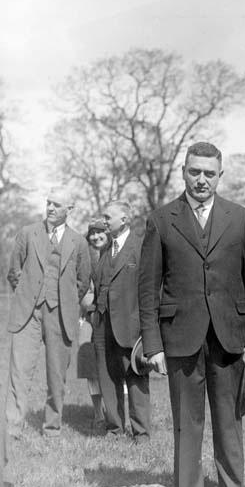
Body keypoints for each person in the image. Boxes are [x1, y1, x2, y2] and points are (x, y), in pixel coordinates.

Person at [138, 141, 245, 487]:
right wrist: (153, 345)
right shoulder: (161, 220)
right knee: (186, 425)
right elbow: (148, 288)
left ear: (220, 176)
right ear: (183, 172)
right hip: (180, 337)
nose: (201, 180)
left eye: (209, 173)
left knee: (229, 425)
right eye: (194, 171)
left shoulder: (240, 218)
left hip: (229, 339)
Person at [5, 187, 90, 437]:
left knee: (56, 375)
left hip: (60, 316)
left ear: (69, 209)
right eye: (49, 203)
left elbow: (83, 281)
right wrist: (27, 293)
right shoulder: (27, 233)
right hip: (28, 314)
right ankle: (12, 427)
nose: (51, 208)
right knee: (19, 371)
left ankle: (52, 427)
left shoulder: (79, 242)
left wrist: (66, 300)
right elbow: (14, 271)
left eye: (57, 204)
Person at [92, 201, 150, 441]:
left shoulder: (141, 246)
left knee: (135, 377)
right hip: (102, 325)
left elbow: (149, 290)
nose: (104, 221)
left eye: (108, 217)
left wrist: (145, 328)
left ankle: (141, 433)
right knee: (107, 376)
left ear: (124, 219)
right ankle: (114, 429)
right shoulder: (106, 249)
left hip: (130, 325)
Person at [77, 218, 109, 431]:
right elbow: (81, 291)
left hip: (112, 320)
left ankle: (118, 414)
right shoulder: (84, 258)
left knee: (115, 368)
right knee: (91, 368)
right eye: (92, 233)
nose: (96, 237)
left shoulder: (115, 254)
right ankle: (98, 414)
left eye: (100, 232)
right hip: (88, 319)